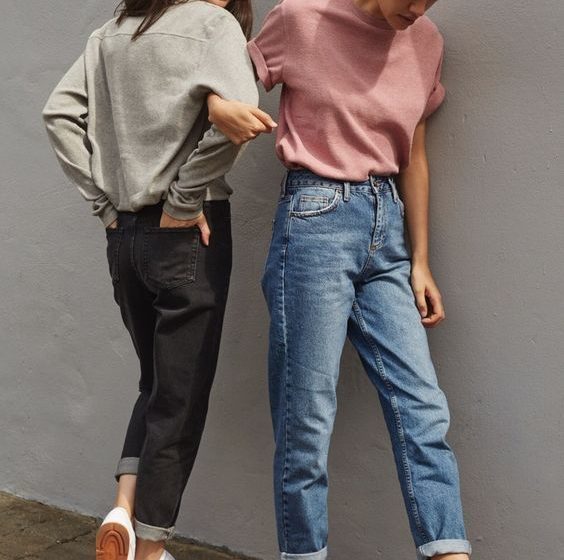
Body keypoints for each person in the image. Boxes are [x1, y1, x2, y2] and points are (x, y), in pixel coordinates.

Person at [207, 0, 472, 558]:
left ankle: (449, 550)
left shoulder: (426, 41)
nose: (419, 8)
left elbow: (414, 154)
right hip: (315, 222)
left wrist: (421, 260)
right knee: (306, 420)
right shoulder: (300, 18)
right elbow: (220, 81)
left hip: (388, 233)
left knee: (423, 409)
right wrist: (210, 114)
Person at [42, 1, 262, 559]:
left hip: (125, 237)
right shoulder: (214, 26)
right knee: (179, 400)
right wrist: (185, 201)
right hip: (188, 234)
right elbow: (240, 121)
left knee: (157, 383)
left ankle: (123, 507)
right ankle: (150, 550)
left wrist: (103, 205)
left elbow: (58, 114)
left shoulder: (110, 33)